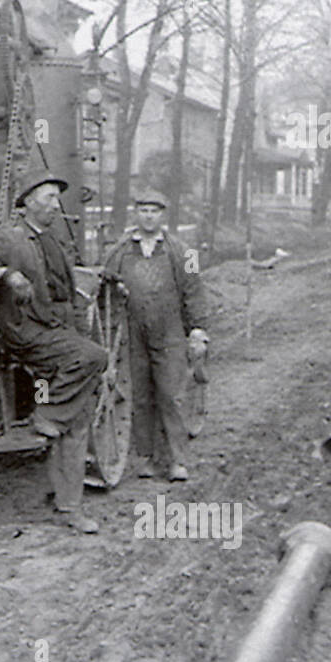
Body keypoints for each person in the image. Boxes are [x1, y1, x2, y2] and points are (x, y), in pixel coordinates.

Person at [0, 169, 109, 534]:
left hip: (56, 332)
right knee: (95, 358)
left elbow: (67, 293)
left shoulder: (54, 241)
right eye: (48, 199)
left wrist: (79, 325)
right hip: (25, 333)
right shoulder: (10, 239)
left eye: (58, 199)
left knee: (79, 414)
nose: (56, 206)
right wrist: (3, 274)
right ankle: (47, 415)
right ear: (27, 202)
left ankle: (68, 506)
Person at [101, 189, 209, 481]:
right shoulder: (119, 251)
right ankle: (147, 457)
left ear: (163, 215)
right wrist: (119, 291)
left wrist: (197, 330)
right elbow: (105, 286)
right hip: (133, 334)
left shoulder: (185, 252)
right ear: (136, 214)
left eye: (155, 211)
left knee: (172, 395)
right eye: (144, 210)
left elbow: (195, 291)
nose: (149, 216)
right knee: (140, 395)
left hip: (170, 331)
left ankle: (177, 460)